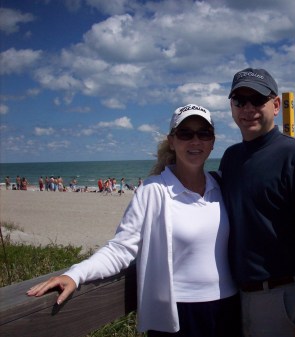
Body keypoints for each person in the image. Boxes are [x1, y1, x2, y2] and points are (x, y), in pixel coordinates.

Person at [27, 104, 241, 336]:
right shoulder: (153, 191)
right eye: (185, 133)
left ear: (212, 142)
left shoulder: (221, 184)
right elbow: (121, 248)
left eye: (204, 133)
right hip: (177, 314)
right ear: (172, 141)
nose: (195, 141)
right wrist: (75, 274)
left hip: (227, 308)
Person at [219, 68, 295, 337]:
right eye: (240, 100)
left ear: (275, 105)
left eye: (257, 100)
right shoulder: (231, 158)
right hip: (236, 296)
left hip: (282, 297)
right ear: (232, 107)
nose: (248, 108)